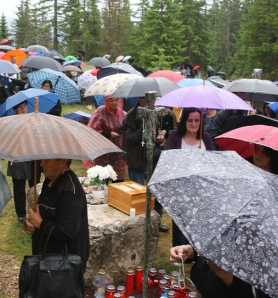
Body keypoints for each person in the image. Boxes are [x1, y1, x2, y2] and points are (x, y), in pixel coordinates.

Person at [25, 158, 89, 298]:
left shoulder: (69, 189)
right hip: (48, 259)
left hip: (59, 265)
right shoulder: (50, 180)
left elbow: (67, 231)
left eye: (46, 161)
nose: (41, 164)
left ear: (62, 161)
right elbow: (45, 214)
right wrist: (31, 221)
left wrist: (41, 224)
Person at [169, 245, 275, 298]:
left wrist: (227, 277)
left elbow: (264, 293)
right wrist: (192, 251)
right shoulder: (231, 222)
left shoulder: (267, 240)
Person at [164, 108, 215, 246]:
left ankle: (194, 251)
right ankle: (179, 251)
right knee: (181, 220)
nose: (194, 124)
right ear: (184, 121)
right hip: (181, 187)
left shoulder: (206, 138)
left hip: (201, 187)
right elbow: (167, 159)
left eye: (197, 120)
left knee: (198, 220)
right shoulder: (175, 136)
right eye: (190, 120)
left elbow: (213, 161)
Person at [122, 96, 169, 232]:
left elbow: (158, 130)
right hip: (137, 159)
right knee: (139, 193)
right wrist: (143, 128)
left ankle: (156, 222)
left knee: (156, 190)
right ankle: (140, 225)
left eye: (153, 99)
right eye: (148, 99)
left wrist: (160, 137)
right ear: (140, 99)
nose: (152, 102)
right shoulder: (131, 115)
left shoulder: (155, 112)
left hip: (153, 156)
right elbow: (128, 139)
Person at [7, 101, 43, 222]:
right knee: (19, 187)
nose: (23, 109)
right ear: (15, 109)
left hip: (33, 157)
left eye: (25, 106)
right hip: (18, 158)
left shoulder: (34, 119)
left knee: (35, 185)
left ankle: (36, 209)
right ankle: (21, 213)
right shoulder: (12, 122)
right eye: (19, 107)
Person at [85, 96, 126, 182]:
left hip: (118, 150)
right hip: (104, 149)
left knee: (118, 175)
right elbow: (92, 130)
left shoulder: (121, 113)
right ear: (107, 102)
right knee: (102, 175)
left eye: (116, 100)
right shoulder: (100, 111)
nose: (114, 103)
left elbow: (126, 126)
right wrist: (108, 134)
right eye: (111, 101)